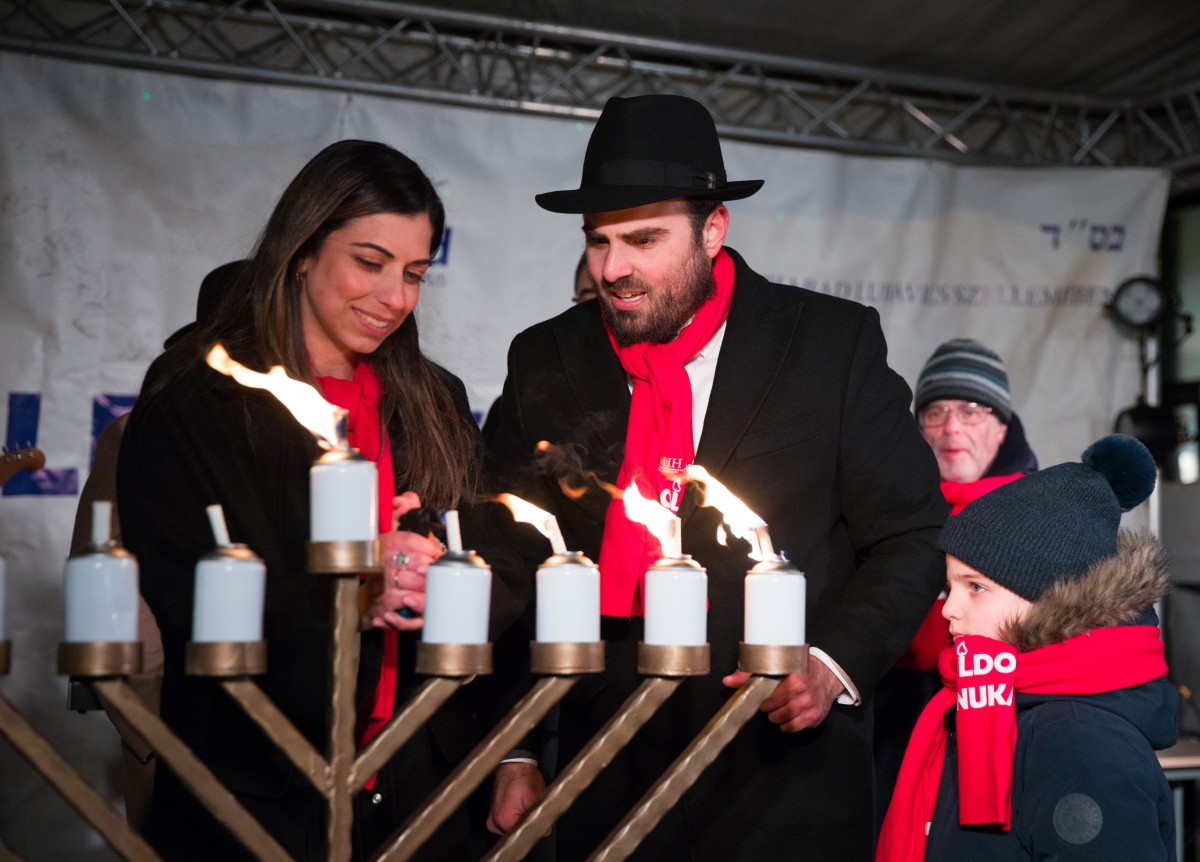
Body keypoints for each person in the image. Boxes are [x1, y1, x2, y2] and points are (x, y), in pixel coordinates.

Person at [484, 94, 947, 860]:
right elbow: (510, 556)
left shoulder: (828, 345)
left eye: (644, 239)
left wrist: (830, 665)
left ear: (713, 229)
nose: (613, 269)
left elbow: (915, 533)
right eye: (598, 241)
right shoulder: (547, 356)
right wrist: (515, 746)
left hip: (785, 772)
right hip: (608, 771)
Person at [118, 140, 527, 861]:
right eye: (369, 263)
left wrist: (450, 579)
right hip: (253, 785)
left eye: (414, 274)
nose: (394, 298)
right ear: (302, 250)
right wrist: (351, 591)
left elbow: (500, 553)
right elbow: (188, 593)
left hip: (415, 783)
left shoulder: (434, 400)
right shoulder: (198, 396)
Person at [877, 434, 1178, 861]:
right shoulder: (988, 700)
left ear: (1049, 600)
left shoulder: (1078, 741)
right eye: (949, 588)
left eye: (976, 587)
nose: (949, 610)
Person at [875, 338, 1040, 819]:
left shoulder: (1042, 519)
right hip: (892, 722)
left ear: (1002, 427)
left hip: (1008, 713)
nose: (951, 427)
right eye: (936, 412)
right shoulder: (881, 510)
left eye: (971, 411)